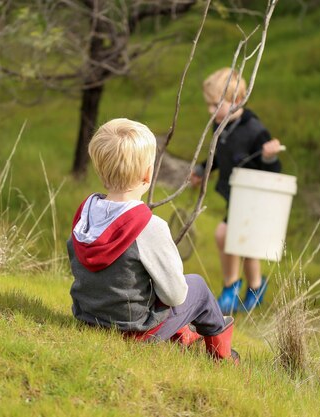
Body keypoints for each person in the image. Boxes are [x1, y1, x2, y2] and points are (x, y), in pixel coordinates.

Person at [67, 118, 239, 363]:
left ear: (99, 168)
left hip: (88, 318)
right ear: (148, 174)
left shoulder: (85, 214)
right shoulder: (149, 226)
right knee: (197, 288)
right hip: (135, 330)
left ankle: (182, 336)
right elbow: (175, 296)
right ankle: (222, 355)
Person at [190, 68, 284, 314]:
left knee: (227, 236)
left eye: (216, 105)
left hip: (254, 197)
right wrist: (203, 169)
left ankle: (232, 287)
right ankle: (255, 287)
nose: (211, 111)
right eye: (209, 105)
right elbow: (220, 156)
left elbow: (274, 171)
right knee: (244, 243)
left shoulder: (254, 130)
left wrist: (269, 157)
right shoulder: (221, 125)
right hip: (236, 196)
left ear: (238, 101)